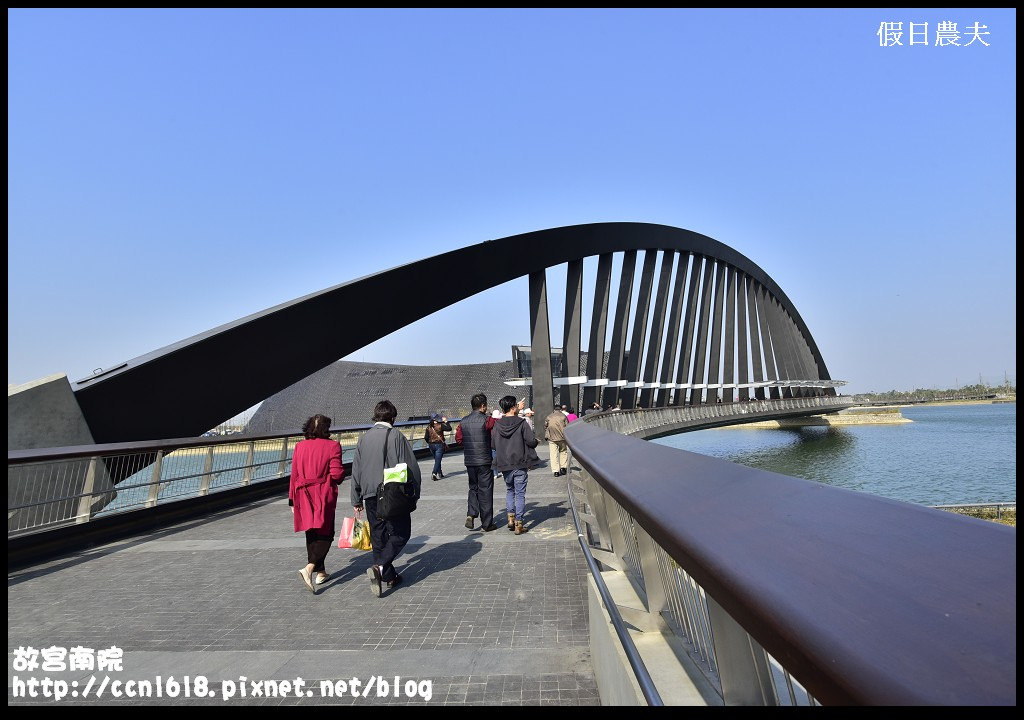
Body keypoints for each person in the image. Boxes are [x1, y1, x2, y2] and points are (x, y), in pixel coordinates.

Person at [351, 400, 422, 597]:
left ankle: (388, 577)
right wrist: (415, 492)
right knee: (401, 533)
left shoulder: (363, 439)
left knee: (378, 536)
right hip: (392, 494)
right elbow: (411, 468)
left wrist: (356, 498)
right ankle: (380, 566)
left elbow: (355, 470)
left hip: (370, 495)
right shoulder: (396, 436)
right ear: (392, 417)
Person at [289, 414, 344, 594]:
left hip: (302, 494)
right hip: (322, 493)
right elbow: (336, 475)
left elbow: (294, 475)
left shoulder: (299, 446)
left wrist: (292, 499)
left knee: (311, 532)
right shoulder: (332, 446)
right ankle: (310, 568)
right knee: (326, 533)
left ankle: (321, 572)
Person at [491, 395, 538, 535]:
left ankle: (510, 519)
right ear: (512, 408)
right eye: (516, 406)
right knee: (520, 494)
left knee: (510, 491)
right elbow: (530, 441)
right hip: (520, 463)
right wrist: (536, 442)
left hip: (504, 464)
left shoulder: (497, 425)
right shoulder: (521, 423)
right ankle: (519, 523)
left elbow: (493, 444)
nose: (518, 407)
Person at [455, 393, 498, 532]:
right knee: (485, 490)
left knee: (473, 488)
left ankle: (471, 514)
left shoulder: (463, 421)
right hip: (484, 460)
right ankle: (487, 523)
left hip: (469, 460)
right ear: (483, 406)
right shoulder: (488, 420)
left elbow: (459, 440)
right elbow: (495, 431)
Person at [424, 413, 452, 481]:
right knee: (438, 460)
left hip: (431, 445)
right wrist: (446, 421)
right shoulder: (440, 425)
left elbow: (426, 437)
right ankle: (434, 473)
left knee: (437, 460)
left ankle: (440, 473)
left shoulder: (428, 427)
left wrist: (430, 442)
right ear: (436, 419)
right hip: (439, 445)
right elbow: (449, 428)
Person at [544, 406, 569, 477]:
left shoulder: (549, 417)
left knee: (553, 454)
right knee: (563, 452)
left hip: (552, 439)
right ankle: (563, 467)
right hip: (562, 438)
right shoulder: (563, 416)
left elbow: (545, 426)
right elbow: (567, 426)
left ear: (554, 410)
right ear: (560, 409)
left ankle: (556, 471)